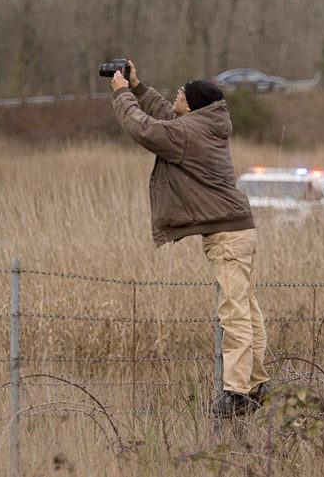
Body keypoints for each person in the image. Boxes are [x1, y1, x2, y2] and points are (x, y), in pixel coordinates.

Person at [110, 61, 269, 418]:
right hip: (238, 230)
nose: (175, 97)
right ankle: (256, 383)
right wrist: (137, 87)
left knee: (234, 312)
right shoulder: (204, 125)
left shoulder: (189, 133)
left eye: (181, 94)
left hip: (227, 236)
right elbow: (166, 114)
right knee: (247, 307)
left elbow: (145, 129)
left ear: (194, 105)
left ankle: (238, 392)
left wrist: (121, 95)